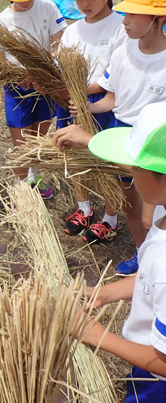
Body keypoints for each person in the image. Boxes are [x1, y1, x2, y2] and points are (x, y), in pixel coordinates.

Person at [64, 102, 166, 403]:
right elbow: (148, 278)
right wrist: (105, 292)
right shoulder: (162, 211)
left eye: (136, 168)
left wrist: (95, 335)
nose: (130, 175)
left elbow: (163, 361)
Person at [70, 0, 166, 273]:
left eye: (133, 14)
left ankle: (156, 261)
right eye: (125, 13)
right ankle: (143, 253)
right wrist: (88, 107)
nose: (124, 20)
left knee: (153, 216)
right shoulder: (124, 53)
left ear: (159, 19)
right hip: (120, 136)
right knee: (129, 206)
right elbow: (112, 98)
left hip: (154, 146)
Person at [58, 0, 128, 240]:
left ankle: (110, 218)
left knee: (109, 160)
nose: (84, 3)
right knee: (76, 156)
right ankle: (84, 208)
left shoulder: (121, 27)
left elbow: (118, 74)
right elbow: (62, 67)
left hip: (105, 100)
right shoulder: (72, 31)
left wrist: (82, 90)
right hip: (73, 101)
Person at [0, 0, 67, 198]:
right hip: (17, 90)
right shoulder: (0, 22)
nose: (25, 1)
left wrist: (44, 73)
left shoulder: (49, 9)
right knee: (22, 143)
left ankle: (36, 178)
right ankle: (23, 191)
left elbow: (59, 44)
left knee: (40, 139)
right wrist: (21, 77)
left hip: (45, 87)